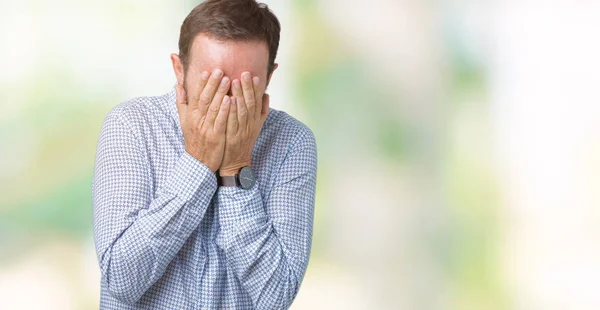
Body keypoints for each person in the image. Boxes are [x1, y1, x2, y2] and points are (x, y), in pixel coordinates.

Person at [91, 0, 317, 309]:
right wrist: (198, 161)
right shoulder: (131, 126)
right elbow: (121, 281)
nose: (225, 103)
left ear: (269, 77)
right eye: (211, 84)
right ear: (179, 69)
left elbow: (275, 297)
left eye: (244, 88)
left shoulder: (292, 141)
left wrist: (236, 169)